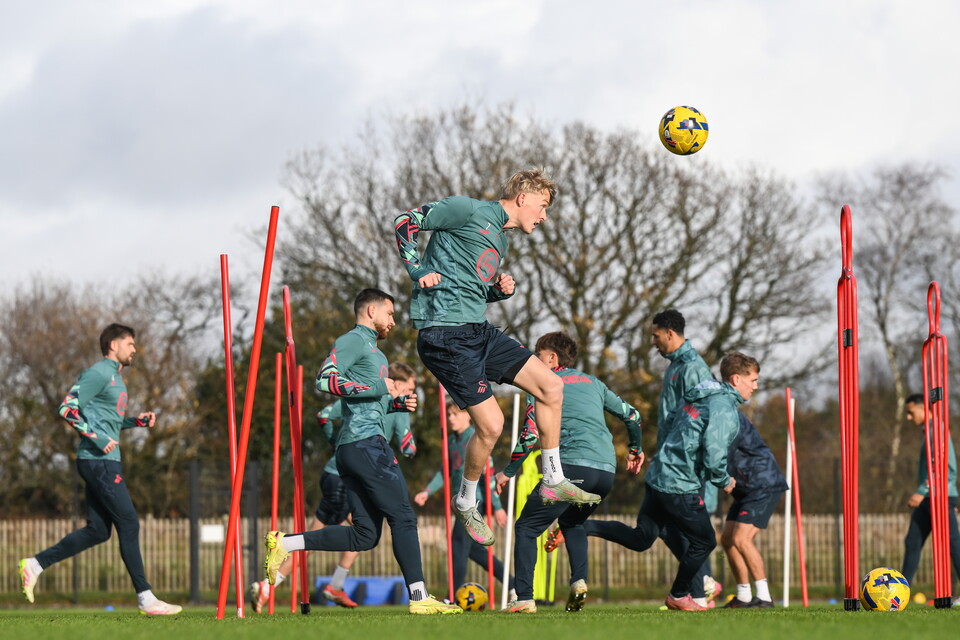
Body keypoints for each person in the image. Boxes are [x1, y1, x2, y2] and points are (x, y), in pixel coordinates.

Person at [394, 168, 600, 548]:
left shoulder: (500, 241)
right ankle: (466, 500)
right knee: (491, 426)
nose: (544, 217)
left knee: (552, 386)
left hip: (477, 329)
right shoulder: (466, 210)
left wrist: (496, 292)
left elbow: (467, 288)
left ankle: (553, 478)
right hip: (443, 335)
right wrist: (416, 269)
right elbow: (405, 221)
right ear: (523, 197)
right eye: (542, 207)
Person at [262, 289, 460, 615]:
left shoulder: (377, 354)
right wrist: (378, 388)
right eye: (390, 314)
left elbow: (368, 399)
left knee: (365, 536)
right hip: (366, 445)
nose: (394, 321)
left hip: (357, 448)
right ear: (371, 310)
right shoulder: (354, 340)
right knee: (404, 518)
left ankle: (285, 543)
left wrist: (395, 402)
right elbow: (325, 380)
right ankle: (419, 597)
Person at [17, 323, 181, 615]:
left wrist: (136, 422)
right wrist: (97, 437)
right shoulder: (99, 372)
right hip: (98, 462)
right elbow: (67, 408)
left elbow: (109, 422)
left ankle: (35, 564)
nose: (134, 349)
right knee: (129, 522)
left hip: (105, 460)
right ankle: (145, 597)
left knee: (98, 531)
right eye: (130, 343)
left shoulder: (116, 378)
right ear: (113, 345)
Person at [585, 352, 759, 611]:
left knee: (642, 539)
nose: (755, 386)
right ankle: (679, 595)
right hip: (679, 483)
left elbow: (669, 422)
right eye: (753, 380)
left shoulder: (700, 393)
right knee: (705, 541)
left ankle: (580, 526)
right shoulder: (724, 408)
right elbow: (714, 454)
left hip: (658, 475)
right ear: (736, 379)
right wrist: (725, 481)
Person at [249, 362, 419, 612]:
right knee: (353, 532)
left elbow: (323, 415)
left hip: (336, 470)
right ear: (400, 384)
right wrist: (409, 447)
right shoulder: (399, 406)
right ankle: (272, 584)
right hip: (353, 475)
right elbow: (408, 447)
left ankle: (328, 583)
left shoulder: (363, 397)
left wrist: (334, 443)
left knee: (361, 531)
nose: (412, 392)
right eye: (412, 387)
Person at [495, 331, 643, 613]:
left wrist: (508, 472)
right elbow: (633, 415)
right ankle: (578, 582)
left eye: (537, 356)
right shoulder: (593, 383)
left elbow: (530, 435)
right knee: (572, 523)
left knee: (526, 527)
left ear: (552, 358)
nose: (534, 362)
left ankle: (524, 598)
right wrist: (635, 448)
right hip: (606, 472)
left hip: (570, 468)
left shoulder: (541, 384)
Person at [650, 309, 720, 605]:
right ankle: (703, 583)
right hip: (670, 461)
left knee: (688, 531)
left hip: (686, 465)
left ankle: (700, 590)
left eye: (655, 336)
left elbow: (705, 416)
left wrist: (694, 461)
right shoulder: (674, 366)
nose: (653, 342)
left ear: (670, 333)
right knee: (665, 527)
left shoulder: (693, 367)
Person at [414, 401, 514, 598]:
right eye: (448, 415)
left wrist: (496, 507)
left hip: (474, 503)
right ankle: (514, 586)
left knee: (458, 544)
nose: (451, 419)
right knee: (475, 551)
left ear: (468, 415)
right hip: (459, 502)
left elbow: (489, 472)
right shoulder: (451, 441)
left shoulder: (476, 437)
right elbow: (445, 472)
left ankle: (453, 597)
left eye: (455, 414)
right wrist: (427, 491)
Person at [721, 412, 788, 608]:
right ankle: (743, 596)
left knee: (741, 539)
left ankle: (764, 597)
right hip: (745, 487)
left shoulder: (727, 415)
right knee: (727, 539)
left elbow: (721, 451)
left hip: (762, 484)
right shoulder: (719, 411)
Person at [900, 393, 960, 591]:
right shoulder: (929, 431)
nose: (909, 418)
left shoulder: (937, 430)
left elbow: (941, 467)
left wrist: (921, 490)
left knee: (952, 543)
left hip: (938, 495)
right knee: (913, 541)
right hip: (931, 496)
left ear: (922, 407)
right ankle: (900, 591)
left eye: (910, 412)